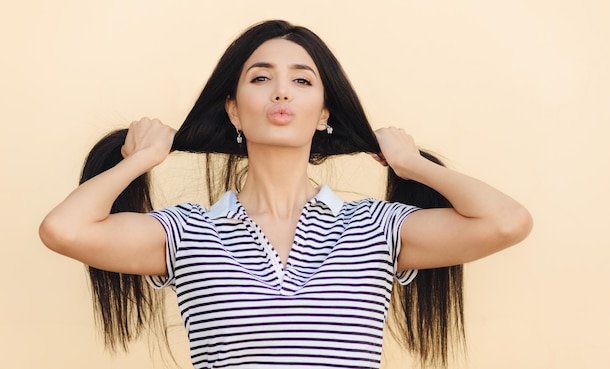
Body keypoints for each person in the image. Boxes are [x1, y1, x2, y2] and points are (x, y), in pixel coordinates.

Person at [39, 20, 532, 369]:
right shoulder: (186, 232)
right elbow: (63, 230)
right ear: (233, 111)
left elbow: (507, 221)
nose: (281, 92)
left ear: (323, 113)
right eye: (260, 78)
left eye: (301, 80)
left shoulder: (378, 228)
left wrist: (411, 165)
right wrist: (141, 159)